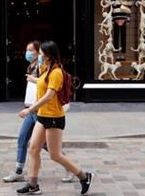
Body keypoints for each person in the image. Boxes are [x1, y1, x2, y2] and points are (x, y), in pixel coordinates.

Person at [17, 40, 94, 195]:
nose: (38, 56)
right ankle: (33, 185)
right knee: (33, 148)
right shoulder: (46, 69)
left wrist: (29, 110)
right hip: (42, 116)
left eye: (40, 54)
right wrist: (35, 79)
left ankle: (84, 176)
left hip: (54, 118)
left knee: (55, 155)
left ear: (48, 56)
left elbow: (49, 95)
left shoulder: (57, 72)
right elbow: (44, 83)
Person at [3, 41, 74, 183]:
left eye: (33, 51)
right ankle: (19, 171)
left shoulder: (45, 67)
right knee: (23, 140)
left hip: (40, 110)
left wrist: (33, 80)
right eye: (27, 50)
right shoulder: (32, 66)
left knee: (47, 146)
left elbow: (48, 89)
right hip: (31, 108)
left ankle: (71, 168)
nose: (28, 54)